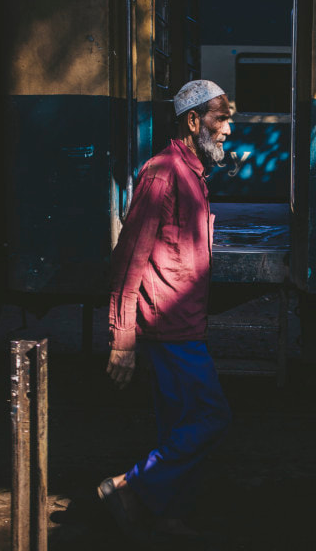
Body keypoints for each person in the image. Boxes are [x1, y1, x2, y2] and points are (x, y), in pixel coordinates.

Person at [98, 80, 233, 541]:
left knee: (178, 426)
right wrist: (122, 339)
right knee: (212, 416)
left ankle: (168, 515)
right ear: (193, 121)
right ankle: (128, 486)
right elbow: (129, 256)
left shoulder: (194, 173)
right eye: (221, 117)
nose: (228, 129)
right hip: (170, 329)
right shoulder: (163, 172)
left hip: (185, 325)